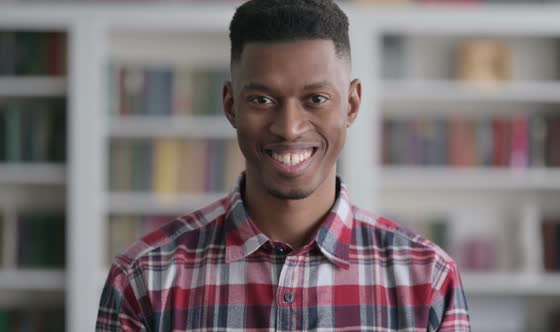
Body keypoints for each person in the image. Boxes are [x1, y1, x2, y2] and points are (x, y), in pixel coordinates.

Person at [96, 0, 471, 331]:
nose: (289, 127)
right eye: (261, 99)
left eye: (317, 98)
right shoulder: (144, 279)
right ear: (230, 106)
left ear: (352, 105)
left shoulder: (428, 281)